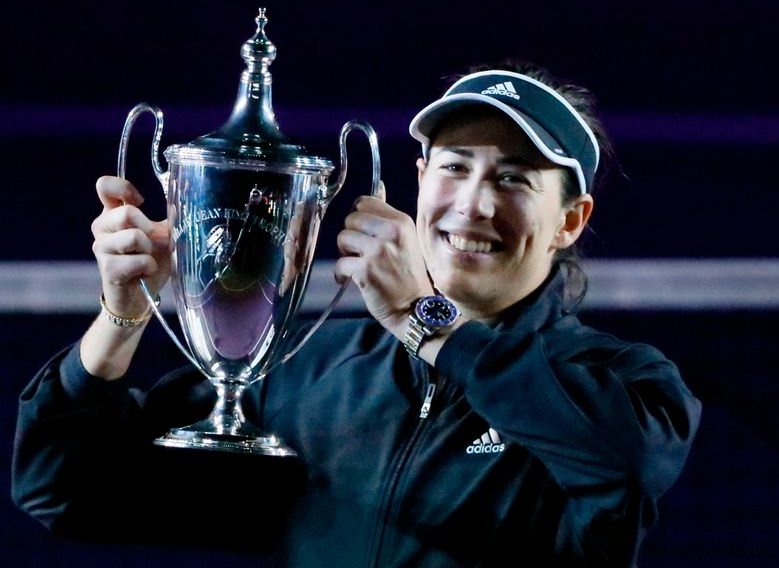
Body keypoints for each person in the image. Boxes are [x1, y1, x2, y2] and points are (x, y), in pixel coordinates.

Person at [12, 61, 701, 567]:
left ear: (570, 222)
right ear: (422, 177)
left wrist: (421, 317)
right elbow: (63, 491)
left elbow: (620, 466)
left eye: (514, 179)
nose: (473, 204)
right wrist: (122, 316)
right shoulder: (310, 366)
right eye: (454, 168)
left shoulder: (622, 383)